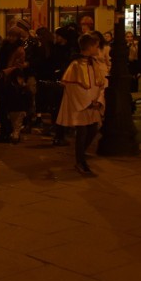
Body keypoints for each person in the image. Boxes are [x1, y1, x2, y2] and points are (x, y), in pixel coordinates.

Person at [56, 32, 105, 177]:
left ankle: (81, 154)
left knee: (93, 129)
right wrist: (87, 102)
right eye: (96, 46)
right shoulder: (76, 65)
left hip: (93, 103)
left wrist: (98, 100)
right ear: (89, 47)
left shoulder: (94, 63)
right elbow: (72, 87)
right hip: (82, 105)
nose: (98, 49)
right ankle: (80, 160)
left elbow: (101, 84)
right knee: (82, 132)